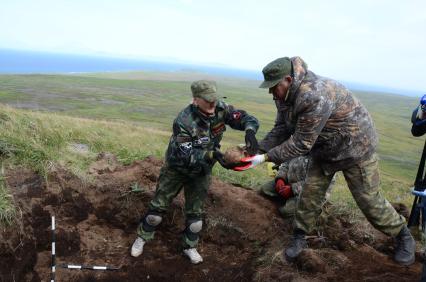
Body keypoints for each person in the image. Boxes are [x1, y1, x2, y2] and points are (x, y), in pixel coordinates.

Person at [235, 56, 416, 266]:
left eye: (274, 86)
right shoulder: (283, 97)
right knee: (309, 194)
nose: (271, 92)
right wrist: (258, 148)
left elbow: (301, 143)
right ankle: (299, 237)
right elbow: (282, 128)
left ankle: (403, 235)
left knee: (369, 201)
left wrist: (264, 158)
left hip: (355, 147)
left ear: (288, 79)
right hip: (324, 149)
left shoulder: (313, 95)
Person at [130, 80, 259, 264]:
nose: (213, 104)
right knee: (156, 212)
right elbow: (185, 155)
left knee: (196, 217)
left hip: (201, 172)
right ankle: (142, 238)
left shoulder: (221, 109)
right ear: (195, 100)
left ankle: (189, 246)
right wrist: (213, 155)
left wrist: (250, 132)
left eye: (214, 99)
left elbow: (247, 118)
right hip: (177, 169)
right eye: (208, 100)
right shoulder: (183, 121)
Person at [260, 156, 335, 218]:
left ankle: (318, 210)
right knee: (264, 190)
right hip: (288, 183)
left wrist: (292, 189)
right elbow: (286, 164)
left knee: (285, 212)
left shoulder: (327, 156)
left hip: (310, 194)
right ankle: (287, 199)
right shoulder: (301, 145)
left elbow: (316, 184)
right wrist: (280, 178)